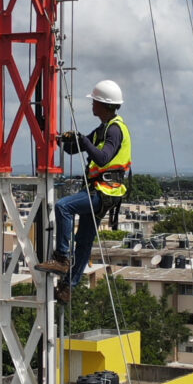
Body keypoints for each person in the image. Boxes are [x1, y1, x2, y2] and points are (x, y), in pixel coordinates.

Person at [35, 80, 132, 304]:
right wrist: (58, 137)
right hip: (104, 191)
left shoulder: (115, 130)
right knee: (85, 240)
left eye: (94, 102)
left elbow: (103, 157)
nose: (92, 105)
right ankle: (68, 287)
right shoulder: (104, 128)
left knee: (64, 206)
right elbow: (75, 148)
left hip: (105, 191)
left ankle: (61, 258)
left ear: (102, 104)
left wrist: (84, 141)